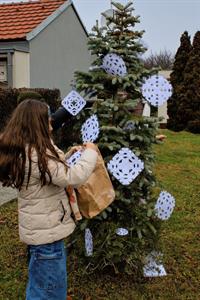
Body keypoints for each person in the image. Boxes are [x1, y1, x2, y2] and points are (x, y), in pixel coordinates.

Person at [0, 99, 98, 300]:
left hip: (41, 233)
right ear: (38, 124)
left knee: (40, 285)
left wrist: (70, 153)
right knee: (49, 292)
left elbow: (53, 170)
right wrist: (91, 152)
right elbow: (72, 177)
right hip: (47, 238)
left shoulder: (26, 149)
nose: (52, 124)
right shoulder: (38, 155)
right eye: (48, 120)